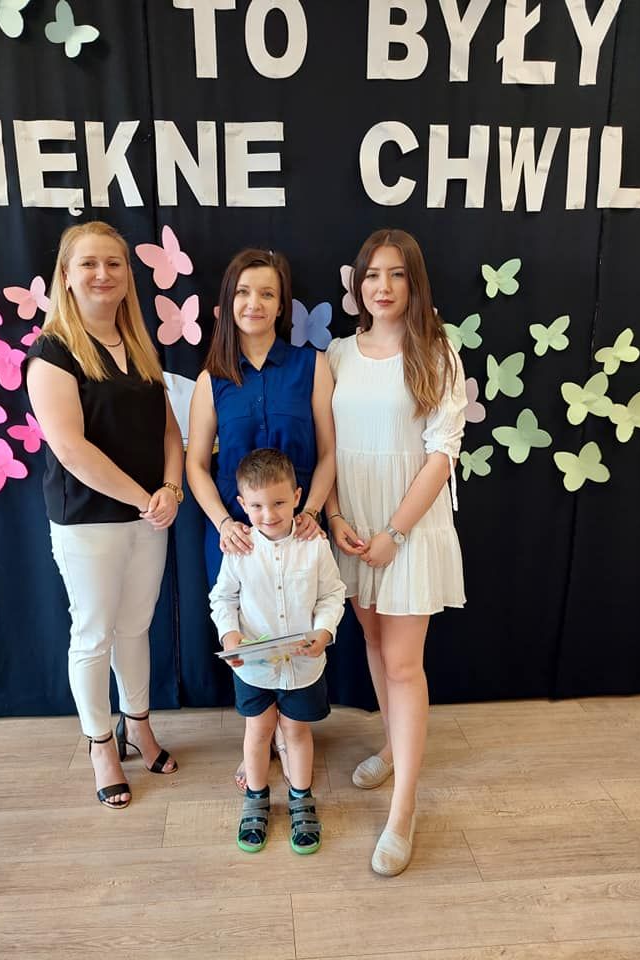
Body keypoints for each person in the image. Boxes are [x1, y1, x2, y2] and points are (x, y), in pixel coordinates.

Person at [27, 221, 184, 810]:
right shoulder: (51, 353)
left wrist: (171, 488)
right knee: (93, 634)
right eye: (89, 264)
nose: (103, 274)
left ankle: (137, 725)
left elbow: (170, 431)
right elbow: (71, 449)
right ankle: (100, 743)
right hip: (89, 520)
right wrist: (146, 498)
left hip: (150, 516)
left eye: (114, 263)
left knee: (135, 627)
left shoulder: (139, 345)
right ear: (66, 276)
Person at [325, 228, 466, 875]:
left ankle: (403, 808)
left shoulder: (436, 351)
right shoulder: (337, 353)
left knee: (405, 664)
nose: (382, 287)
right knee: (375, 644)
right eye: (372, 274)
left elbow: (442, 455)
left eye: (396, 274)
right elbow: (329, 447)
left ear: (414, 281)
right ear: (358, 283)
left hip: (407, 528)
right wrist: (335, 517)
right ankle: (390, 745)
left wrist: (396, 534)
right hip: (353, 528)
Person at [187, 248, 336, 790]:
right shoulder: (212, 379)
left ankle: (289, 737)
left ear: (282, 304)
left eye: (267, 293)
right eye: (244, 292)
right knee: (248, 633)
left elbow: (329, 452)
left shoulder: (311, 366)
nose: (255, 303)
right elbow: (195, 465)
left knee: (297, 626)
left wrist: (312, 510)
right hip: (237, 538)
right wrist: (223, 523)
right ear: (228, 302)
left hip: (299, 529)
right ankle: (258, 740)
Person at [209, 448, 345, 853]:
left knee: (297, 732)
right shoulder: (239, 549)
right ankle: (256, 798)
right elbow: (223, 599)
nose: (268, 515)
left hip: (303, 666)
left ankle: (301, 798)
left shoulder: (315, 546)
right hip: (253, 668)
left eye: (279, 503)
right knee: (258, 731)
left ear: (298, 496)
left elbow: (332, 595)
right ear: (242, 504)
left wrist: (324, 631)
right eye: (256, 506)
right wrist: (229, 636)